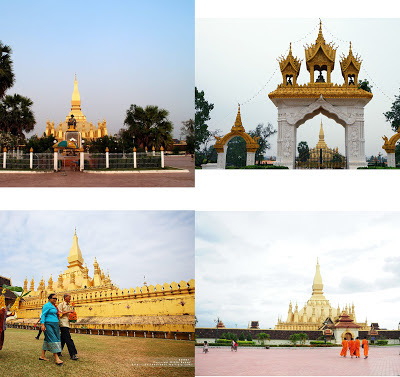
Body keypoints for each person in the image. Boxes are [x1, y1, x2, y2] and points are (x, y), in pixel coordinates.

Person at [39, 293, 63, 365]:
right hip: (48, 324)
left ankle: (42, 356)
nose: (55, 300)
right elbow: (43, 315)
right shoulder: (46, 306)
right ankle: (57, 358)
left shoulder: (54, 306)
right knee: (53, 339)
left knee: (47, 339)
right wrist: (42, 324)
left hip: (55, 324)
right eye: (54, 298)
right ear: (49, 299)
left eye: (56, 298)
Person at [57, 293, 78, 360]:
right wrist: (69, 311)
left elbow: (67, 314)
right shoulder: (61, 304)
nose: (70, 298)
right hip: (63, 324)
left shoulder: (68, 305)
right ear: (65, 297)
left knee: (63, 339)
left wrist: (72, 315)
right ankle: (73, 354)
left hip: (67, 323)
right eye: (69, 297)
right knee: (68, 339)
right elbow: (59, 313)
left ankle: (58, 352)